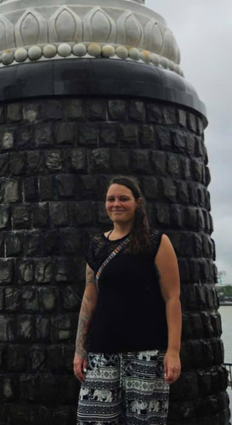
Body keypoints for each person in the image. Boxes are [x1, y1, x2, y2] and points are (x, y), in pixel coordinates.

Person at [74, 176, 182, 425]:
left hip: (147, 351)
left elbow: (172, 298)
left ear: (137, 203)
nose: (116, 204)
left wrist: (173, 351)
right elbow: (89, 298)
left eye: (124, 198)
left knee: (144, 421)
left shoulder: (156, 242)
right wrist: (80, 350)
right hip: (102, 350)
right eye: (111, 199)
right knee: (94, 420)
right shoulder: (97, 246)